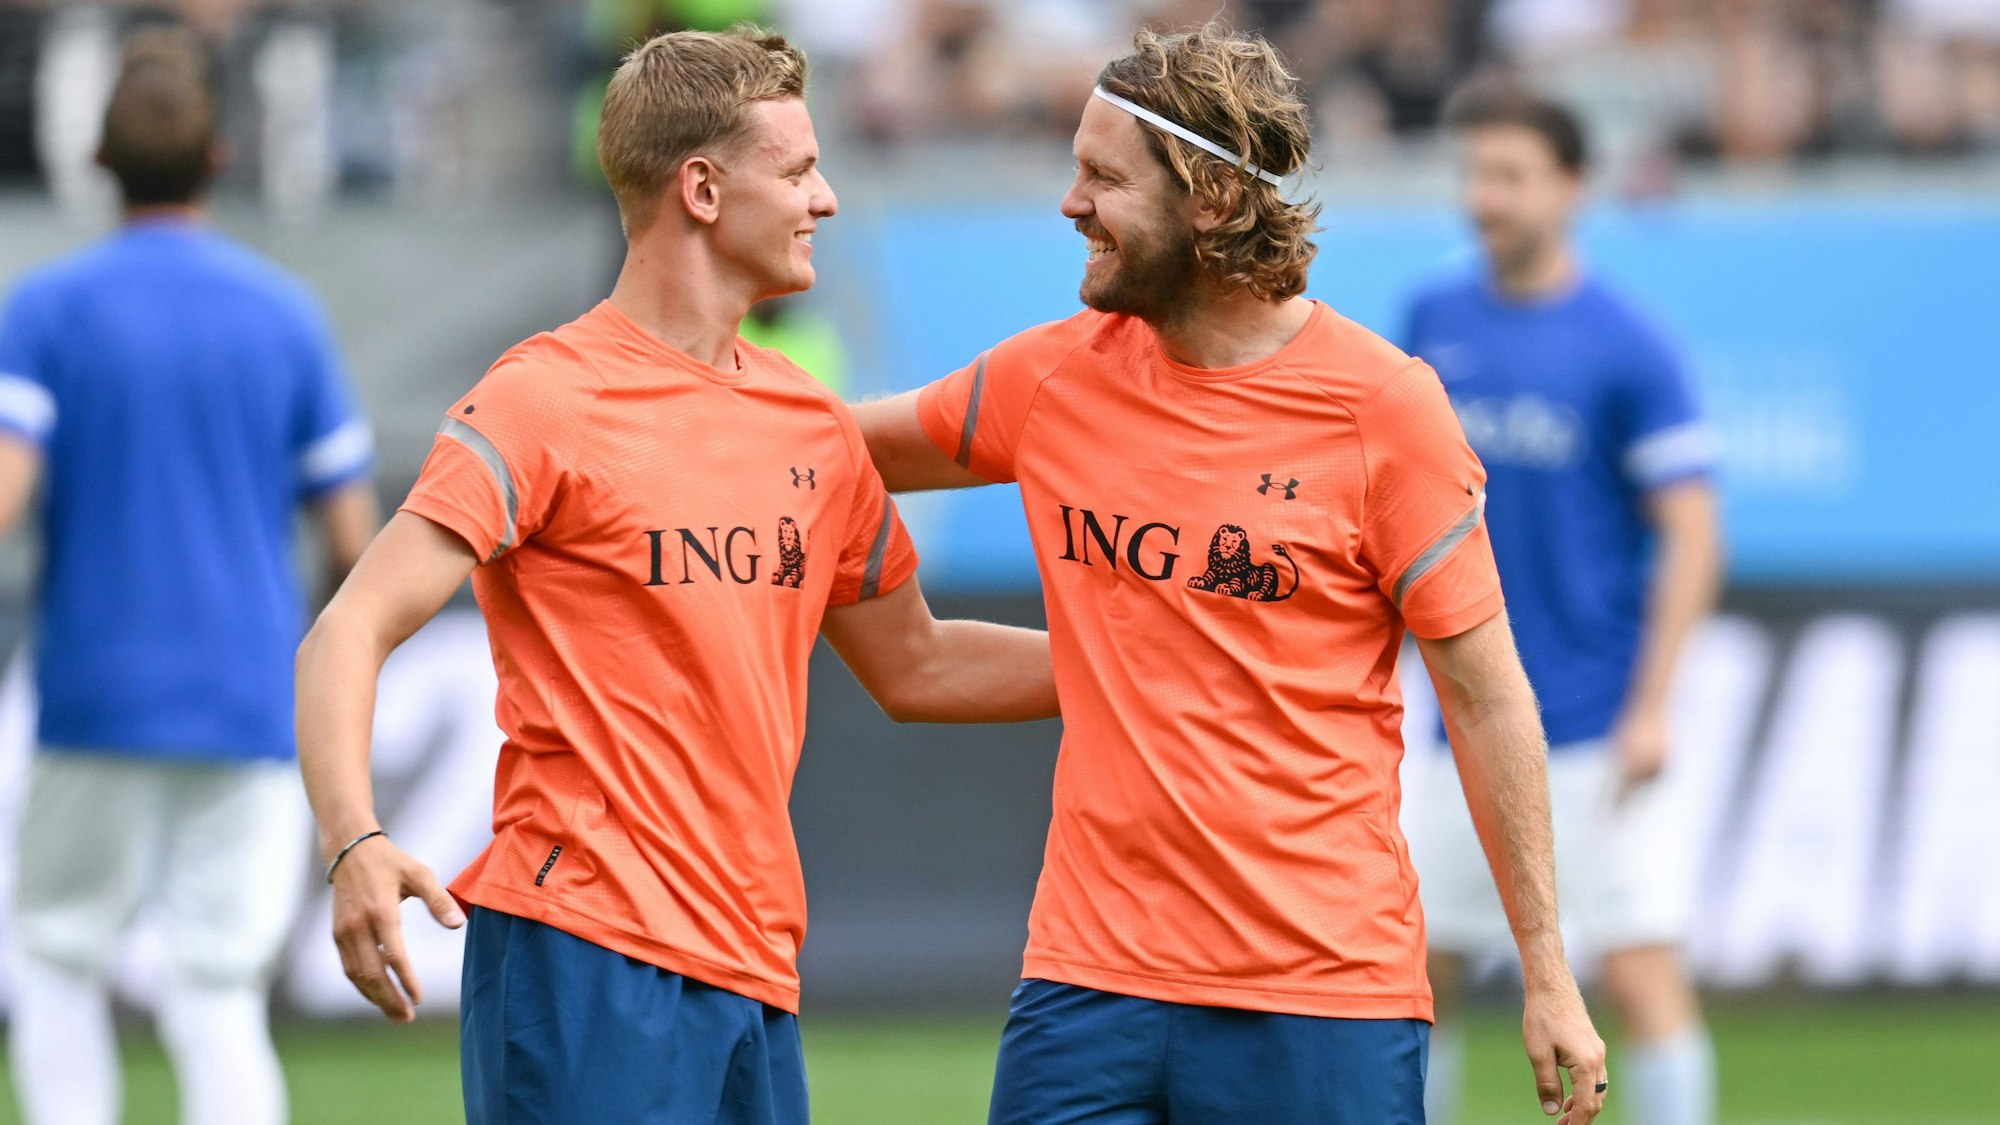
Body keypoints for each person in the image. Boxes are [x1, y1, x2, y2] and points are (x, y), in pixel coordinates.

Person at [294, 26, 1058, 1124]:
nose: (826, 199)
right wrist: (354, 842)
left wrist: (1142, 660)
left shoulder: (809, 421)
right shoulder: (545, 398)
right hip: (581, 954)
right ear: (700, 189)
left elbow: (919, 664)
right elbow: (347, 630)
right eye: (796, 171)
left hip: (755, 962)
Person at [855, 22, 1608, 1125]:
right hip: (1085, 985)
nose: (1069, 204)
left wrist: (1546, 971)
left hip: (1321, 999)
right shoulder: (1050, 378)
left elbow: (1489, 700)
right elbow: (823, 451)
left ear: (1208, 198)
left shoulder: (1383, 410)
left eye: (1102, 177)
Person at [0, 27, 378, 1125]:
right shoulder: (284, 315)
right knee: (217, 987)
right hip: (250, 700)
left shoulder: (46, 310)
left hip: (96, 693)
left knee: (61, 958)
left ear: (101, 163)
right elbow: (356, 541)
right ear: (219, 160)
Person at [1400, 85, 1723, 1125]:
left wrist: (1652, 706)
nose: (1480, 196)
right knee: (1416, 975)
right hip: (1458, 721)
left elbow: (1691, 531)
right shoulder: (1430, 319)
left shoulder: (1627, 342)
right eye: (1471, 172)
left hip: (1586, 717)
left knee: (1635, 974)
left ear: (1571, 187)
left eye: (1507, 174)